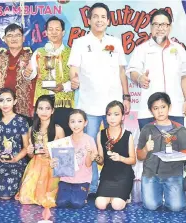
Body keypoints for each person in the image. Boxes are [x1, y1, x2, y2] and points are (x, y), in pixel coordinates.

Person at [68, 2, 130, 195]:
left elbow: (122, 72)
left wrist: (126, 96)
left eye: (103, 16)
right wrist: (73, 79)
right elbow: (73, 68)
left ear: (108, 20)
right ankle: (91, 186)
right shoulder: (79, 42)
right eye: (95, 16)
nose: (99, 20)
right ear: (89, 19)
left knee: (115, 145)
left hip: (113, 106)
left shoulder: (115, 42)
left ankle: (115, 185)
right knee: (90, 147)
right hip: (89, 105)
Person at [126, 9, 186, 128]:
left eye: (163, 25)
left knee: (175, 146)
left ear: (169, 27)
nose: (160, 28)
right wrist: (140, 78)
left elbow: (185, 76)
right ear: (151, 27)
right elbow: (132, 72)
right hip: (149, 111)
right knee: (150, 146)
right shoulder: (141, 49)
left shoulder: (179, 50)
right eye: (156, 24)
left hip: (174, 109)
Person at [137, 92, 186, 211]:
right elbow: (139, 156)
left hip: (173, 174)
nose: (160, 111)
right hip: (151, 175)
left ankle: (172, 194)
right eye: (156, 108)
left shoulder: (179, 129)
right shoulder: (146, 129)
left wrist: (178, 156)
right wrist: (146, 149)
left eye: (163, 107)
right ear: (151, 111)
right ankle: (158, 193)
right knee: (151, 206)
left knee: (177, 207)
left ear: (169, 107)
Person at [15, 95, 64, 220]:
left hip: (51, 166)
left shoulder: (58, 130)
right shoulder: (32, 129)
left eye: (47, 108)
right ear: (36, 110)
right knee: (25, 199)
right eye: (41, 108)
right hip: (36, 165)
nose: (44, 111)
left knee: (47, 199)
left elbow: (64, 154)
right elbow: (31, 155)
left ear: (52, 111)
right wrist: (30, 151)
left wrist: (52, 154)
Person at [24, 16, 74, 136]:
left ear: (63, 32)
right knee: (42, 137)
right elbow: (31, 75)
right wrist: (27, 73)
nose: (54, 32)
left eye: (57, 29)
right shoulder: (39, 52)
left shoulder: (72, 53)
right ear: (46, 32)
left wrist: (63, 87)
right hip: (43, 105)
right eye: (50, 29)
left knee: (63, 139)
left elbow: (77, 79)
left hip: (63, 102)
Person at [0, 88, 29, 199]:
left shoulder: (21, 121)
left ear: (14, 101)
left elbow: (26, 147)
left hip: (15, 162)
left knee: (6, 195)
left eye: (8, 100)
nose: (5, 104)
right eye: (1, 100)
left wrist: (15, 159)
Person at [95, 101, 136, 210]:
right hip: (107, 175)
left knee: (117, 205)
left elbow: (133, 160)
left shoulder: (128, 135)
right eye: (109, 115)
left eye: (116, 114)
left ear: (122, 116)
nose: (112, 118)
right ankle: (113, 197)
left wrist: (120, 158)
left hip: (124, 175)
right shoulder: (101, 134)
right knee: (100, 204)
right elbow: (101, 161)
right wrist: (95, 157)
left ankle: (124, 196)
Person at [0, 23, 35, 117]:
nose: (14, 39)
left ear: (23, 38)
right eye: (10, 36)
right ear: (5, 39)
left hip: (27, 107)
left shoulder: (32, 58)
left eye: (18, 35)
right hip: (4, 107)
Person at [55, 109, 97, 208]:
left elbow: (88, 164)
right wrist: (55, 163)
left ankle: (84, 193)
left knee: (77, 203)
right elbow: (61, 166)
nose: (76, 125)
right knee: (61, 203)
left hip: (82, 179)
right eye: (72, 121)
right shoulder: (65, 141)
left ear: (85, 123)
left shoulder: (89, 140)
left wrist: (89, 152)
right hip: (66, 179)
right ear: (68, 124)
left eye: (79, 121)